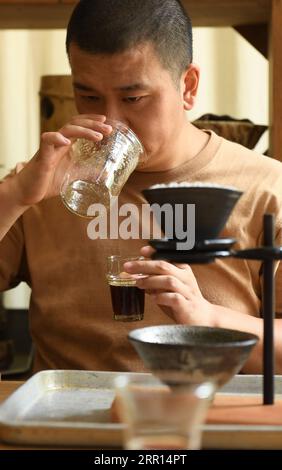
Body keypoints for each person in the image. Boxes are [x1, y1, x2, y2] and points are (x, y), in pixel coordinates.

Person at [1, 0, 282, 374]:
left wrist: (208, 319)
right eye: (88, 97)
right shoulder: (39, 184)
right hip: (66, 419)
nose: (111, 121)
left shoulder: (266, 188)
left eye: (133, 98)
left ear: (188, 86)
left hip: (210, 420)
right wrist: (15, 196)